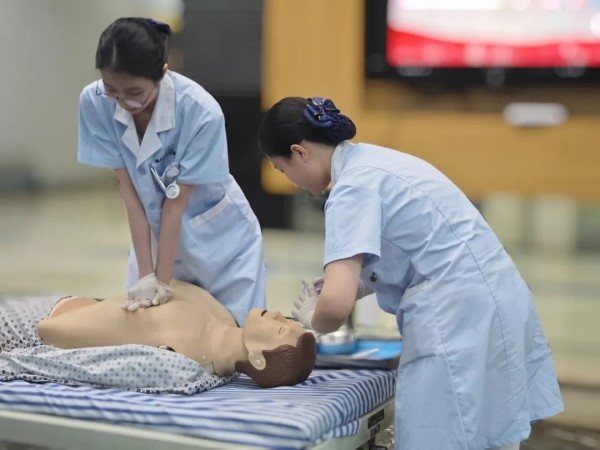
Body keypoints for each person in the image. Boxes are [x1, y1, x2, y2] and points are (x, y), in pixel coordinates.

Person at [257, 96, 564, 449]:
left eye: (284, 171)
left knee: (440, 438)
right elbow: (415, 245)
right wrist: (359, 281)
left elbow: (334, 310)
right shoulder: (373, 160)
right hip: (490, 299)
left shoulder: (351, 189)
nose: (291, 180)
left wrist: (314, 316)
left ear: (300, 152)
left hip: (458, 316)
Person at [78, 17, 266, 325]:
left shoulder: (200, 111)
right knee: (148, 335)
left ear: (162, 74)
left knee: (231, 343)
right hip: (154, 236)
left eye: (135, 91)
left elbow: (175, 205)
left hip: (219, 242)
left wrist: (162, 284)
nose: (123, 103)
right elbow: (130, 195)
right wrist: (146, 276)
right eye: (112, 89)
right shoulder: (94, 101)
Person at [36, 280, 316, 388]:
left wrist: (45, 326)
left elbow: (54, 334)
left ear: (258, 359)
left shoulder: (184, 360)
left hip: (47, 319)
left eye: (281, 327)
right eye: (289, 319)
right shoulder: (222, 316)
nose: (279, 314)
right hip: (71, 301)